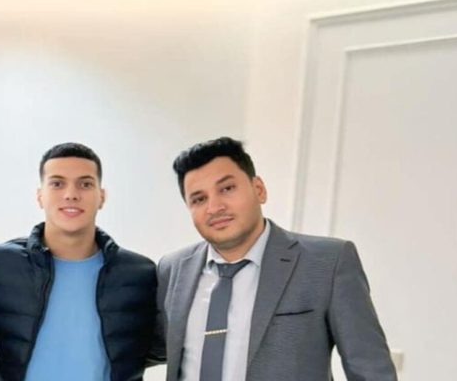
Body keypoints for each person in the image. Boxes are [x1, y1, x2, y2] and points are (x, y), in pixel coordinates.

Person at [157, 136, 396, 381]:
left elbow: (371, 370)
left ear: (259, 190)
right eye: (199, 199)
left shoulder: (328, 262)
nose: (214, 207)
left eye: (227, 188)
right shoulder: (172, 270)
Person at [0, 142, 159, 381]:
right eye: (57, 184)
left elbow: (155, 347)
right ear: (40, 196)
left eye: (85, 184)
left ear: (101, 197)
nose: (71, 194)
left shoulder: (140, 274)